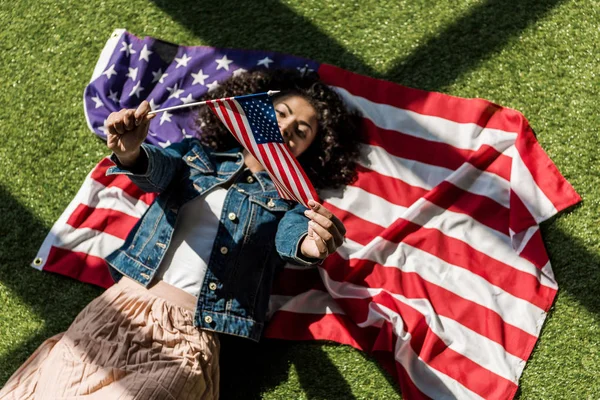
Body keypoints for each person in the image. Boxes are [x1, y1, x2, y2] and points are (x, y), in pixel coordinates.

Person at [0, 69, 361, 400]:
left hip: (190, 337)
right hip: (118, 308)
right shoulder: (197, 156)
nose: (285, 129)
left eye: (301, 131)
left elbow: (293, 237)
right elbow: (156, 170)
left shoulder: (292, 199)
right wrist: (130, 154)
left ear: (312, 151)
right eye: (281, 114)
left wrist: (311, 244)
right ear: (256, 111)